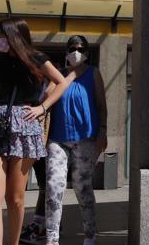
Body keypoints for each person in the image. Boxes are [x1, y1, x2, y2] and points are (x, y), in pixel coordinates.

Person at [0, 19, 72, 245]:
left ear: (14, 36)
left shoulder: (37, 58)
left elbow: (61, 81)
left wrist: (43, 107)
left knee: (15, 198)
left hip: (25, 127)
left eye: (0, 35)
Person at [42, 35, 107, 245]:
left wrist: (103, 130)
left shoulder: (94, 74)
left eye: (80, 48)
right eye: (72, 48)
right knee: (53, 187)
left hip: (85, 139)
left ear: (87, 53)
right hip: (57, 140)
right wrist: (67, 76)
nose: (75, 51)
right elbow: (46, 98)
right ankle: (52, 238)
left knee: (83, 187)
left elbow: (101, 104)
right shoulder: (58, 75)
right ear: (66, 51)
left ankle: (90, 234)